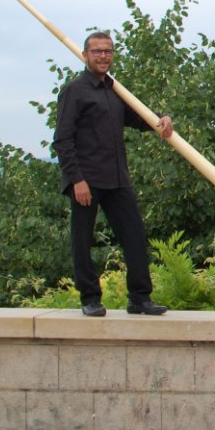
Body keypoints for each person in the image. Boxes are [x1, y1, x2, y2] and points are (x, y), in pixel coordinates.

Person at [53, 31, 173, 317]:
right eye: (97, 51)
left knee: (134, 235)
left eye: (108, 51)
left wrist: (161, 120)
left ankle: (139, 299)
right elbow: (62, 140)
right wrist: (77, 180)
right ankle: (90, 299)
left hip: (117, 178)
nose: (103, 56)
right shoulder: (75, 90)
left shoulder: (115, 90)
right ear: (85, 56)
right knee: (82, 241)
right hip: (86, 179)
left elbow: (137, 119)